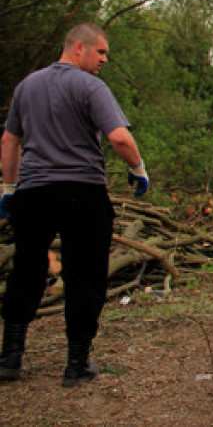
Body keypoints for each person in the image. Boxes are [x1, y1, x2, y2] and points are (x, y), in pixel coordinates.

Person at [0, 23, 149, 387]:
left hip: (33, 193)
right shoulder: (90, 87)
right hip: (82, 192)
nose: (104, 60)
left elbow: (9, 139)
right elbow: (119, 137)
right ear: (78, 48)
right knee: (86, 275)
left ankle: (9, 359)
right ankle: (77, 363)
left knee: (26, 270)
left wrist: (8, 187)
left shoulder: (27, 86)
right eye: (100, 52)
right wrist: (138, 168)